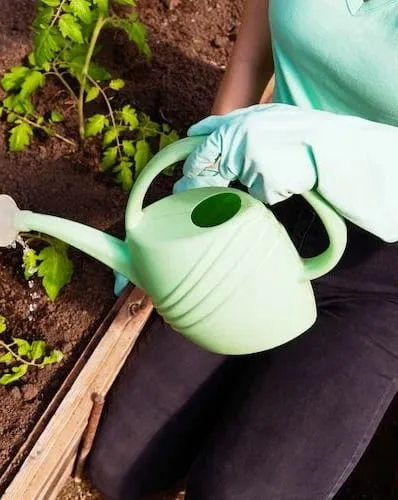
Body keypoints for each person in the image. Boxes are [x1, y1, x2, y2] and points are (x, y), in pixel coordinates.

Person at [86, 0, 398, 498]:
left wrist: (319, 145)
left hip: (380, 279)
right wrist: (200, 192)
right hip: (264, 205)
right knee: (117, 465)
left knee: (237, 492)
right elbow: (254, 59)